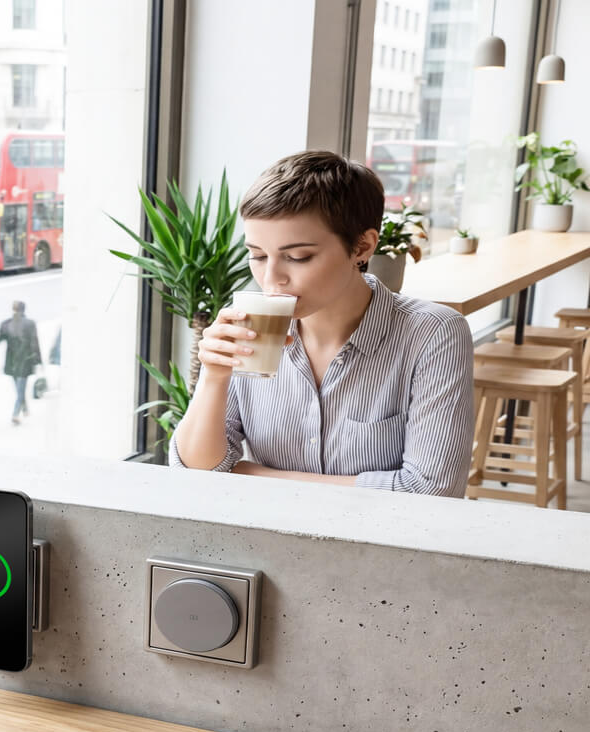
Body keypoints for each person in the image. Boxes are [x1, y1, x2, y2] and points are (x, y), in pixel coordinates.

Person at [170, 150, 475, 497]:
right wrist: (214, 375)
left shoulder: (433, 334)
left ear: (362, 246)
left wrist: (245, 473)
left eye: (298, 257)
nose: (272, 278)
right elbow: (196, 471)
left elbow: (431, 490)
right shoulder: (247, 327)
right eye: (257, 255)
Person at [0, 300, 43, 425]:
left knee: (19, 388)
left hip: (11, 361)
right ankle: (16, 414)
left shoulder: (6, 324)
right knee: (21, 389)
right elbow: (35, 342)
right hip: (25, 360)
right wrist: (39, 361)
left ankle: (25, 409)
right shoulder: (30, 324)